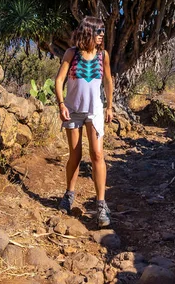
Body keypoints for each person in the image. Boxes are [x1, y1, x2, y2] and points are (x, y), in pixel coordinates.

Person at [54, 16, 114, 228]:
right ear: (87, 31)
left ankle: (101, 204)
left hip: (94, 111)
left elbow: (108, 79)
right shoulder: (72, 53)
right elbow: (59, 80)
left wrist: (109, 106)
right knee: (75, 155)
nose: (101, 35)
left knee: (97, 154)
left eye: (103, 31)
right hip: (73, 111)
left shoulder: (102, 55)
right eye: (98, 31)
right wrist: (61, 104)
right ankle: (69, 194)